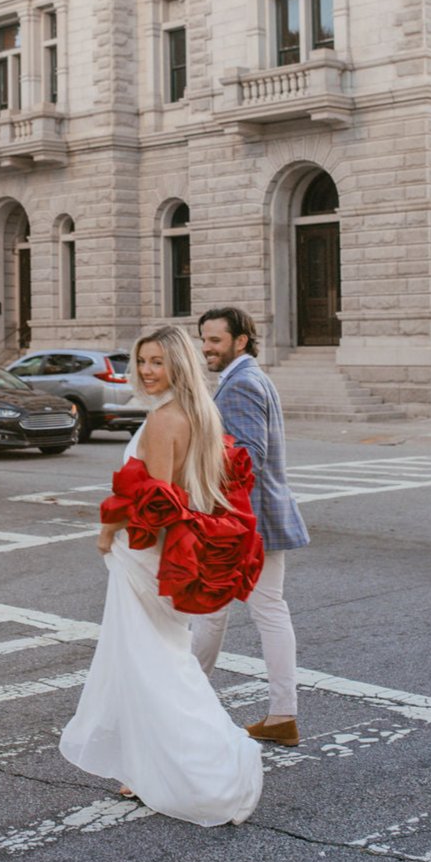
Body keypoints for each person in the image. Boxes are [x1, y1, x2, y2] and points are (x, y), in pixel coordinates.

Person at [59, 324, 263, 827]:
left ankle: (204, 771)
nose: (146, 371)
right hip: (166, 560)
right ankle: (145, 766)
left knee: (154, 665)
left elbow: (153, 499)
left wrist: (107, 533)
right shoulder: (199, 414)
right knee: (151, 662)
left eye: (157, 362)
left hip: (145, 557)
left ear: (178, 365)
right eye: (141, 361)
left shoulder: (163, 422)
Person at [191, 307, 309, 747]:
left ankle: (184, 703)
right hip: (259, 518)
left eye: (215, 341)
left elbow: (244, 459)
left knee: (209, 610)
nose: (206, 349)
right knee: (266, 610)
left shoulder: (240, 384)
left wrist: (193, 471)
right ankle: (282, 714)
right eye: (204, 340)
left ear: (241, 341)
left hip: (241, 523)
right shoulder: (251, 378)